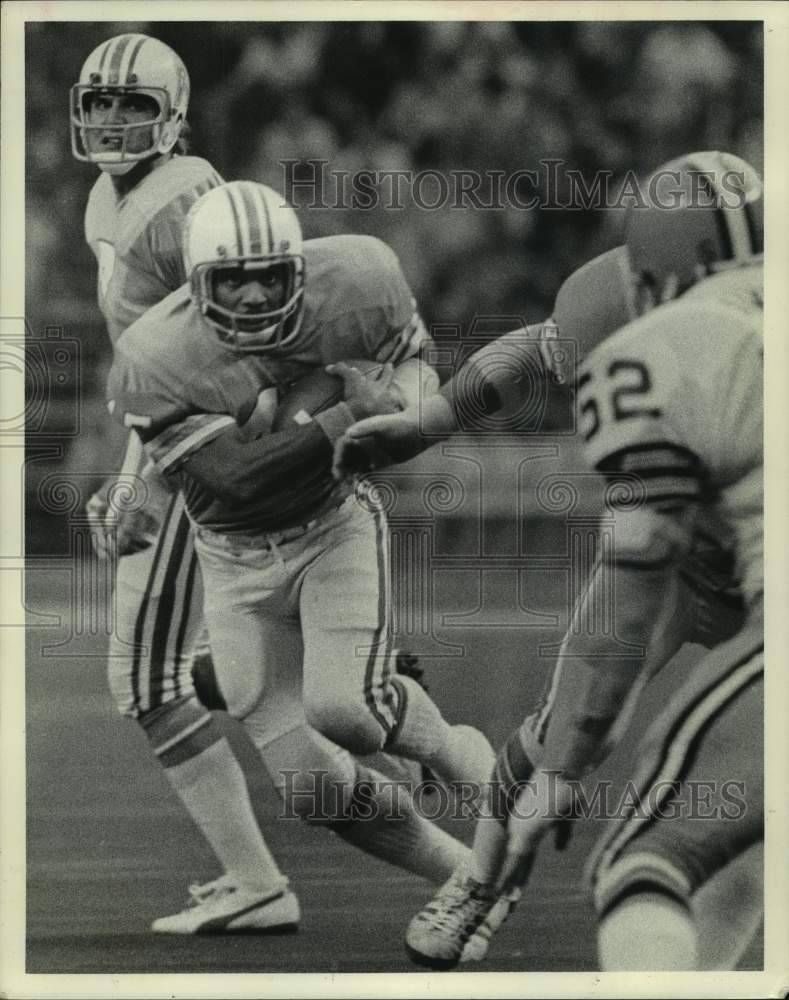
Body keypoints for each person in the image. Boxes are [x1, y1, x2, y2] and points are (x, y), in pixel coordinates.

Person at [339, 151, 764, 970]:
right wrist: (430, 420)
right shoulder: (612, 304)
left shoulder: (653, 332)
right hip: (701, 558)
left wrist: (569, 760)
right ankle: (481, 882)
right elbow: (535, 350)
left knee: (641, 841)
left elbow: (625, 594)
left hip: (698, 563)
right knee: (727, 825)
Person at [107, 178, 509, 937]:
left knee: (344, 714)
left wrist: (409, 422)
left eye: (270, 274)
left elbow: (411, 366)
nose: (256, 295)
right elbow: (235, 476)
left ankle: (467, 761)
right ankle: (467, 877)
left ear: (299, 267)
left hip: (332, 530)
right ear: (197, 286)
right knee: (309, 790)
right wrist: (351, 410)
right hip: (231, 562)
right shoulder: (158, 353)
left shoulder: (358, 277)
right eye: (234, 278)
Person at [72, 32, 300, 934]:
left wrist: (142, 476)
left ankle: (258, 879)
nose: (116, 120)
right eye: (103, 101)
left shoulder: (185, 200)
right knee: (186, 669)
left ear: (175, 118)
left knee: (148, 677)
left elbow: (224, 349)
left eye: (136, 105)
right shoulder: (112, 191)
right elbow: (142, 348)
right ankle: (369, 709)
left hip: (198, 440)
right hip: (169, 432)